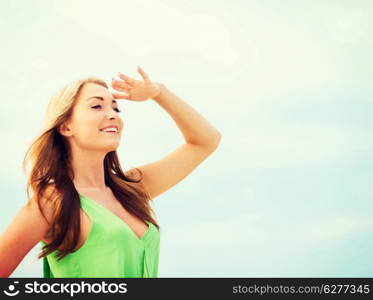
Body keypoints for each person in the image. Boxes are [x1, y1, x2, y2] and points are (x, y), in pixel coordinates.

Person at [0, 66, 222, 278]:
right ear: (66, 126)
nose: (113, 114)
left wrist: (158, 92)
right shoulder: (52, 200)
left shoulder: (132, 188)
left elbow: (206, 141)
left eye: (116, 108)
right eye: (97, 106)